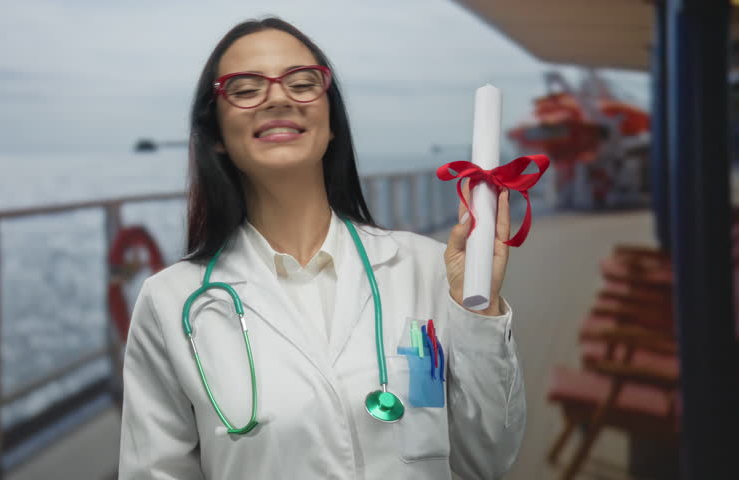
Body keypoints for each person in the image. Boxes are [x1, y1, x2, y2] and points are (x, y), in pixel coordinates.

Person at [118, 17, 525, 480]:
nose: (278, 97)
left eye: (302, 82)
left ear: (331, 123)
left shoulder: (426, 268)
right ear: (215, 136)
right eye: (246, 88)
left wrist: (480, 310)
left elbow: (488, 458)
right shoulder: (172, 302)